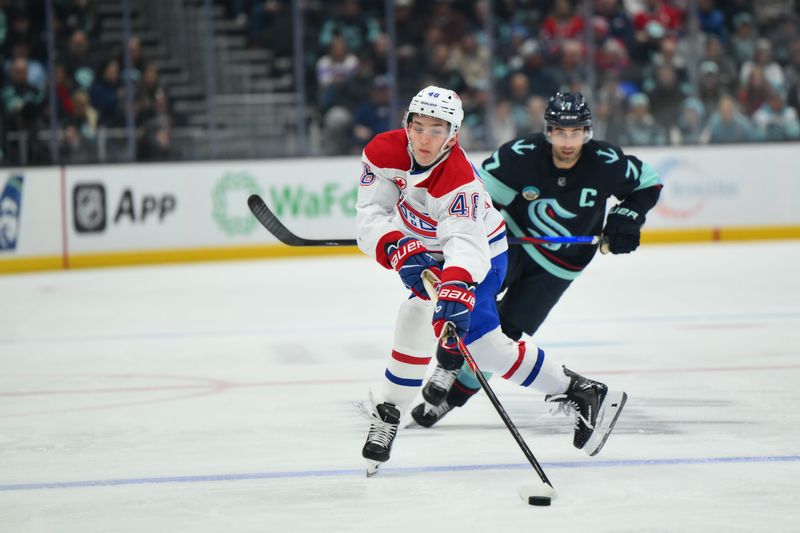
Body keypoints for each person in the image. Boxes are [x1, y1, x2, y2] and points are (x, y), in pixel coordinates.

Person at [356, 86, 628, 474]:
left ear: (453, 134)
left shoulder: (458, 181)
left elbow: (465, 246)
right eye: (418, 128)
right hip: (427, 252)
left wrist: (455, 287)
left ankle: (577, 390)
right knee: (426, 320)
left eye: (437, 130)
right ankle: (389, 412)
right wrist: (396, 245)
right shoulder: (383, 152)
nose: (424, 139)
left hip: (482, 256)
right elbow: (371, 214)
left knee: (469, 339)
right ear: (406, 125)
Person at [410, 92, 662, 429]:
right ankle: (447, 361)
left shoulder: (606, 161)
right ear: (547, 131)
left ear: (587, 131)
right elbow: (477, 197)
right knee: (471, 296)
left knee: (507, 335)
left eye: (575, 133)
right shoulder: (520, 156)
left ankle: (452, 399)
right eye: (560, 132)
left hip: (561, 265)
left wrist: (627, 216)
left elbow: (648, 182)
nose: (568, 141)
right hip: (510, 243)